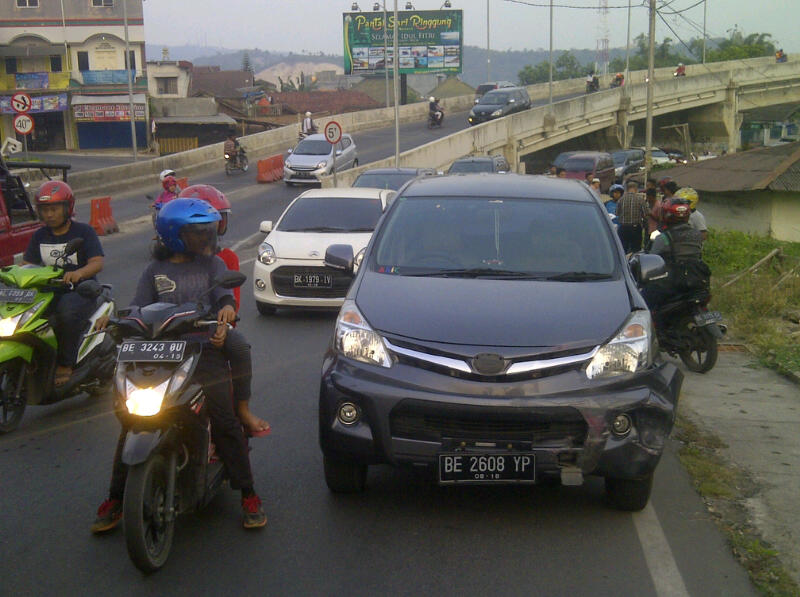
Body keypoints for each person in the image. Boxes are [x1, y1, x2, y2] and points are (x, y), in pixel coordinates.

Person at [91, 198, 266, 533]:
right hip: (158, 354)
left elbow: (225, 298)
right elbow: (137, 307)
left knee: (224, 418)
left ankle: (248, 492)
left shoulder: (212, 266)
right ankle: (116, 498)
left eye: (207, 232)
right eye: (197, 233)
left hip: (201, 352)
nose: (205, 239)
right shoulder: (154, 271)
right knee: (131, 421)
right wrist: (111, 322)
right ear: (174, 235)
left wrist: (226, 313)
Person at [177, 184, 270, 436]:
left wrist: (222, 327)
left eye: (211, 225)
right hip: (171, 335)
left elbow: (231, 302)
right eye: (196, 227)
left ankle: (242, 409)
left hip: (210, 331)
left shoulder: (225, 259)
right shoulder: (164, 263)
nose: (204, 234)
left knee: (239, 347)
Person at [22, 181, 104, 387]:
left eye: (54, 209)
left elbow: (97, 263)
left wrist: (78, 273)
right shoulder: (39, 236)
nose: (49, 215)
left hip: (81, 291)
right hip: (49, 292)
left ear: (67, 209)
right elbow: (27, 264)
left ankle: (66, 363)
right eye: (44, 210)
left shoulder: (83, 232)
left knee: (65, 314)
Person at [641, 196, 709, 315]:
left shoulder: (664, 238)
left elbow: (652, 258)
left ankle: (653, 328)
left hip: (672, 283)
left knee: (644, 302)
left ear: (666, 215)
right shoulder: (697, 235)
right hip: (696, 279)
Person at [616, 180, 648, 253]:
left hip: (623, 228)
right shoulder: (640, 199)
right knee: (635, 250)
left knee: (623, 250)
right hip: (635, 228)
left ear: (627, 189)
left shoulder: (621, 200)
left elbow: (617, 213)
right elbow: (646, 213)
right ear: (636, 189)